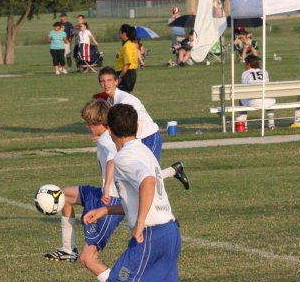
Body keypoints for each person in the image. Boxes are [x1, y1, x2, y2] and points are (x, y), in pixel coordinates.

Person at [83, 104, 219, 282]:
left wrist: (140, 222)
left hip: (151, 235)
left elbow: (146, 184)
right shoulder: (144, 151)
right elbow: (139, 193)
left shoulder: (124, 159)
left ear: (109, 129)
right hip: (170, 231)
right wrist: (105, 211)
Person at [44, 99, 190, 263]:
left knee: (88, 259)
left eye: (89, 123)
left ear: (100, 123)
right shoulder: (107, 137)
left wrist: (107, 186)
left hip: (111, 197)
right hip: (104, 193)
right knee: (63, 195)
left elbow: (113, 159)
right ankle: (68, 248)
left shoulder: (109, 141)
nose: (87, 127)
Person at [98, 67, 162, 159]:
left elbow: (132, 124)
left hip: (149, 136)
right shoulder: (109, 101)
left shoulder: (125, 100)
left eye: (109, 80)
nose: (106, 84)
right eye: (102, 81)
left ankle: (175, 170)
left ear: (116, 81)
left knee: (150, 170)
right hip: (135, 140)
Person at [239, 55, 276, 130]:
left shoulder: (245, 73)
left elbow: (244, 89)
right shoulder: (265, 72)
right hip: (268, 101)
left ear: (249, 64)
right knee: (268, 95)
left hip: (254, 101)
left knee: (241, 97)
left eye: (245, 63)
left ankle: (243, 123)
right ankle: (271, 123)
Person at [115, 24, 139, 91]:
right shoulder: (128, 44)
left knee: (121, 96)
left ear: (124, 33)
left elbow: (127, 64)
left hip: (127, 74)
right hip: (126, 73)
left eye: (120, 32)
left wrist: (120, 77)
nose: (119, 34)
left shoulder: (127, 46)